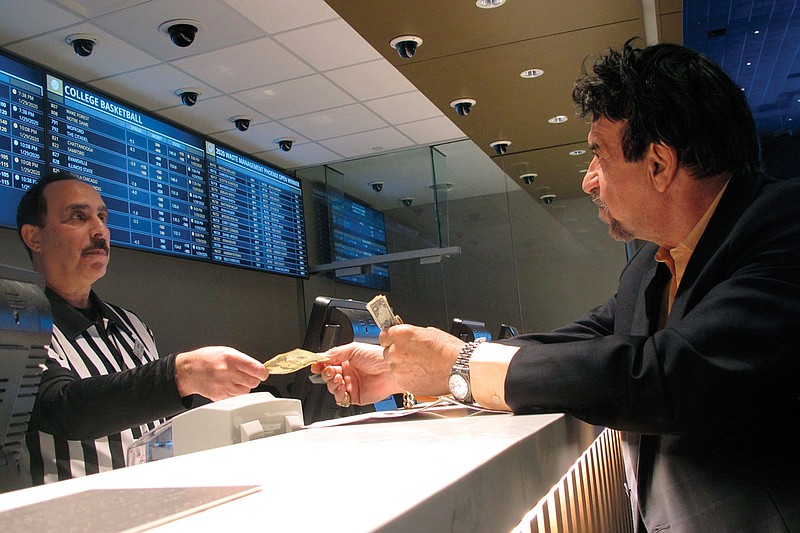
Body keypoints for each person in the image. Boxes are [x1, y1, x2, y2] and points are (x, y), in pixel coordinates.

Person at [313, 40, 800, 532]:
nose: (590, 182)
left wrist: (456, 365)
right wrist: (418, 373)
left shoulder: (785, 226)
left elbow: (669, 377)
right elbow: (576, 343)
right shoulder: (648, 268)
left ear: (658, 163)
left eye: (599, 157)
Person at [16, 171, 270, 485]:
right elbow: (64, 408)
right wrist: (181, 373)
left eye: (102, 217)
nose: (100, 230)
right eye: (78, 217)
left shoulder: (132, 325)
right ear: (34, 237)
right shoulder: (21, 325)